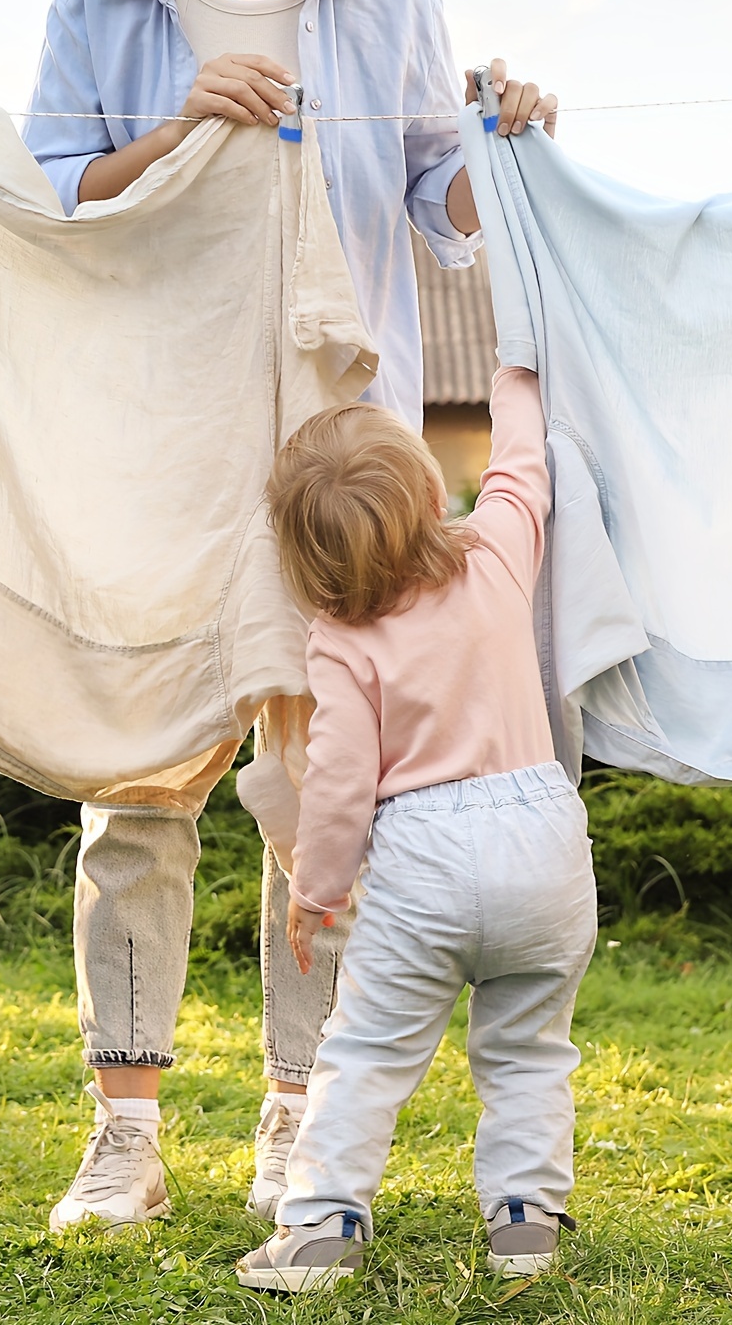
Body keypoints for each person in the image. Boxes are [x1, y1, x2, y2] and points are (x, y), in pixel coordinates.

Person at [24, 0, 556, 1231]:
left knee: (316, 765)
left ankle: (288, 1113)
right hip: (159, 430)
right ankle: (123, 1128)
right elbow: (57, 206)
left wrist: (505, 148)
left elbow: (443, 221)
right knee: (140, 776)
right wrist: (180, 129)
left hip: (338, 450)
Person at [235, 362, 598, 1293]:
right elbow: (522, 470)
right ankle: (525, 1224)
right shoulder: (494, 555)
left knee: (363, 1055)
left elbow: (341, 785)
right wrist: (517, 366)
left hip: (424, 860)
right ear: (433, 488)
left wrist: (315, 893)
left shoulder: (341, 638)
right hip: (544, 837)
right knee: (527, 1050)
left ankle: (320, 1228)